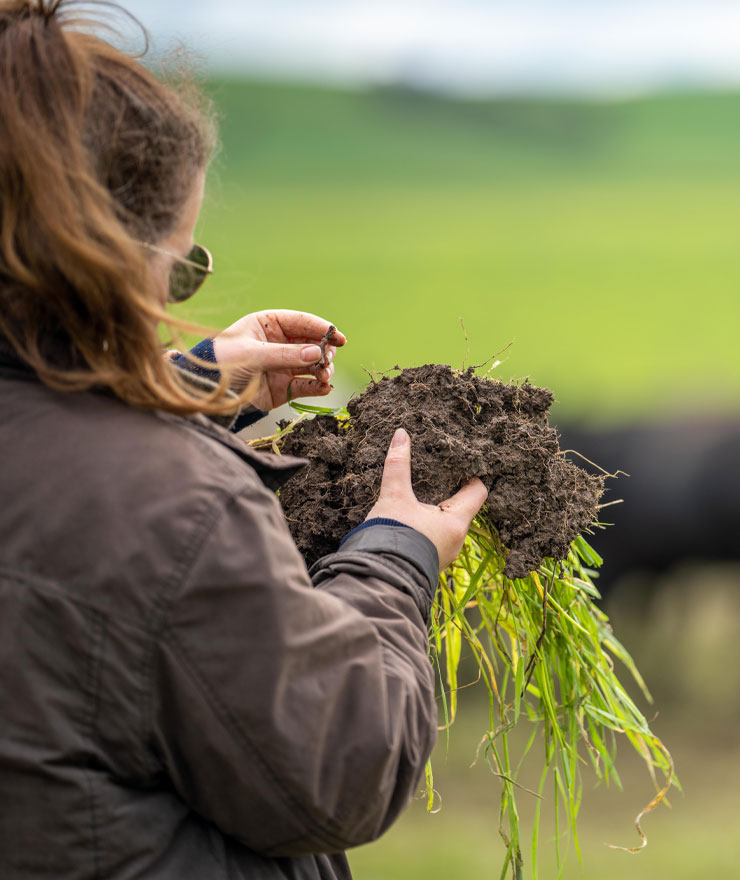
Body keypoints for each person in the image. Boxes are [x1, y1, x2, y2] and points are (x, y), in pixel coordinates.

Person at [0, 3, 488, 879]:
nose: (172, 294)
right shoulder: (178, 510)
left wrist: (176, 385)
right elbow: (342, 764)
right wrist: (394, 559)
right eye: (179, 265)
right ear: (104, 257)